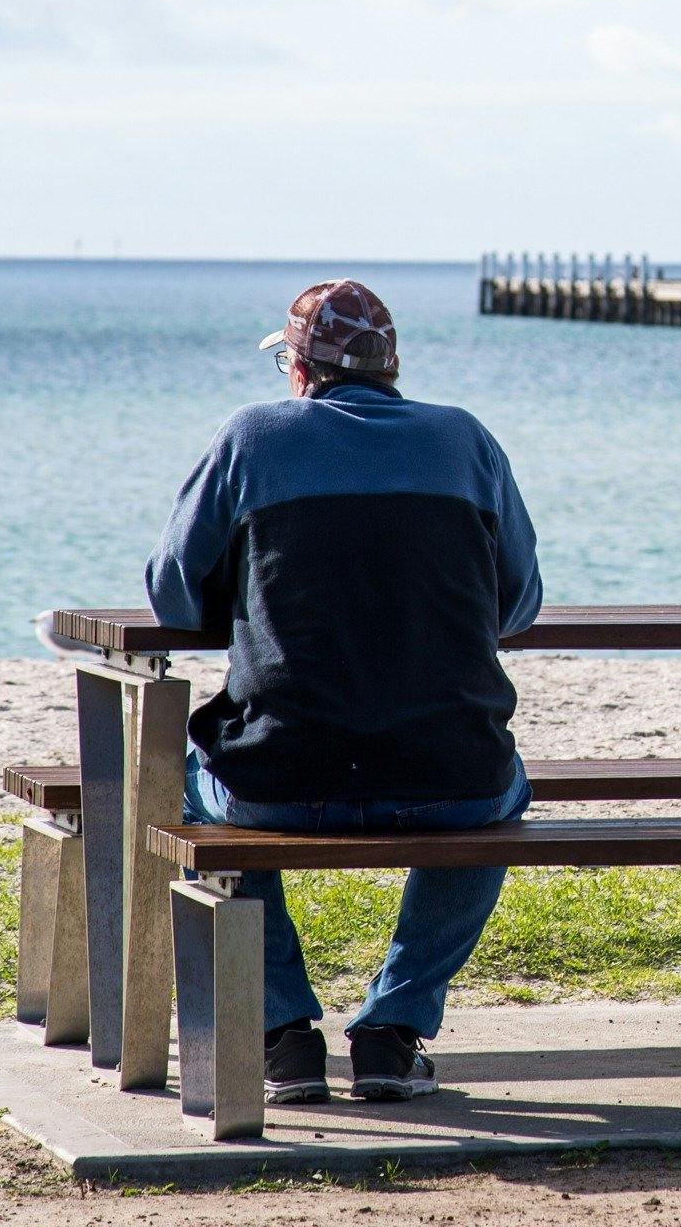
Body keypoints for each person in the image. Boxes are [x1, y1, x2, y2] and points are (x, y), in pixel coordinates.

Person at [145, 279, 541, 1105]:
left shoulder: (252, 437)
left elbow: (175, 595)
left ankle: (283, 1032)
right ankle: (393, 1029)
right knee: (499, 798)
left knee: (192, 783)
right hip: (451, 784)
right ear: (390, 367)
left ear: (297, 368)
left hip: (279, 783)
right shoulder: (464, 439)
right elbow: (519, 602)